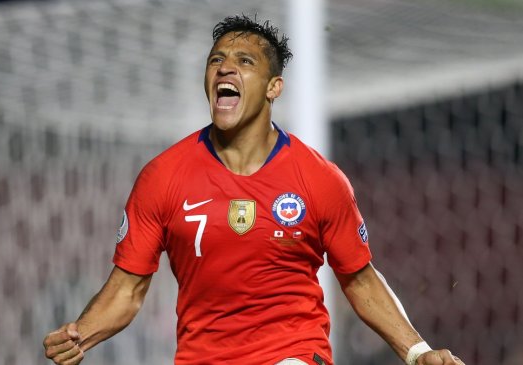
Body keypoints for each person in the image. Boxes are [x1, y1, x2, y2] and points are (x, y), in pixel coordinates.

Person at [43, 15, 465, 365]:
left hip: (295, 354)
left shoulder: (318, 179)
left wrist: (417, 352)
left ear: (272, 88)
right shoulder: (163, 177)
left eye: (244, 61)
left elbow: (359, 279)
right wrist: (81, 334)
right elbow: (127, 290)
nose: (225, 68)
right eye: (216, 60)